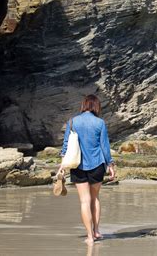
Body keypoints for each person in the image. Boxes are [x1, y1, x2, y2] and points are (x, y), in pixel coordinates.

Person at [57, 94, 116, 246]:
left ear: (83, 105)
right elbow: (105, 146)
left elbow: (66, 146)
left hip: (77, 166)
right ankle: (96, 231)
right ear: (96, 106)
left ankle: (89, 237)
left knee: (84, 201)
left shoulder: (72, 122)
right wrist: (110, 165)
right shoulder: (100, 123)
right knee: (95, 198)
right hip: (97, 165)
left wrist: (62, 165)